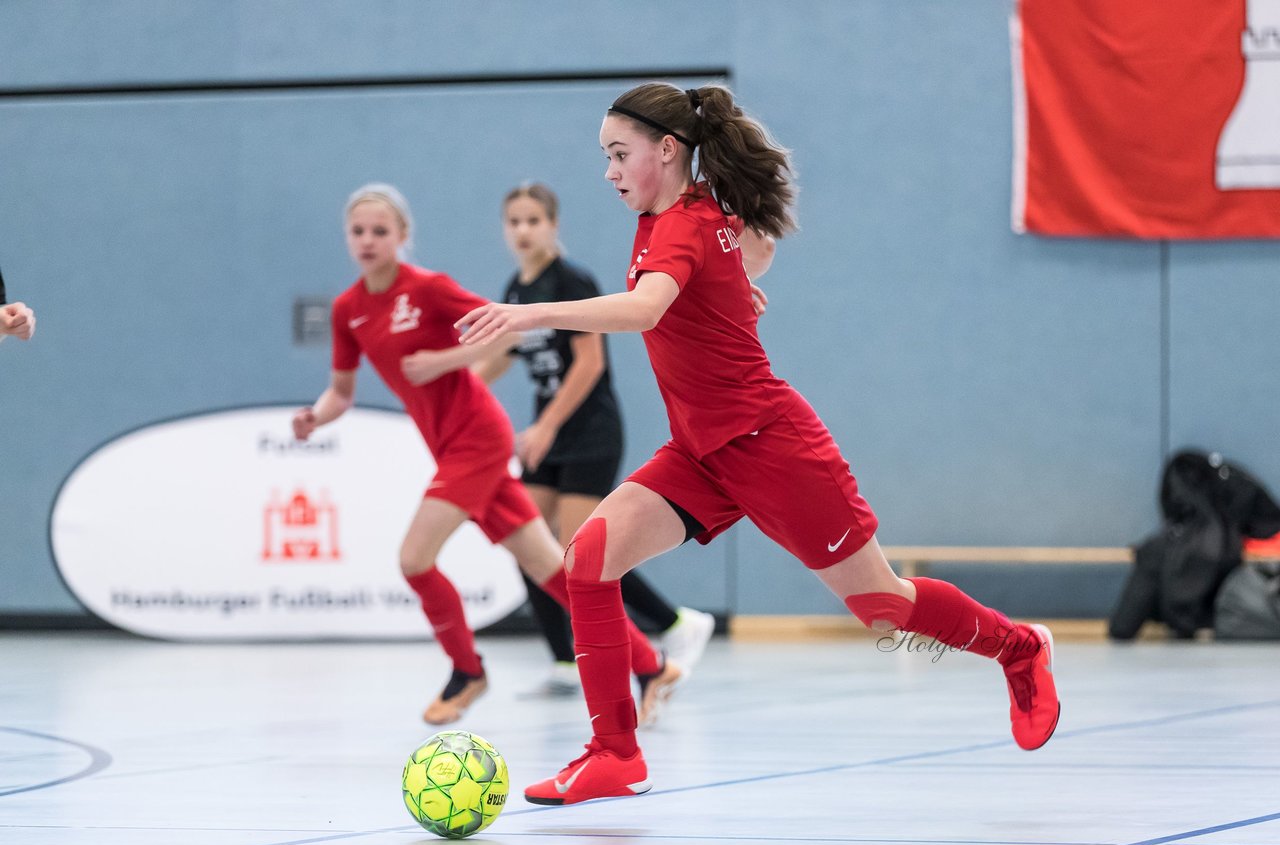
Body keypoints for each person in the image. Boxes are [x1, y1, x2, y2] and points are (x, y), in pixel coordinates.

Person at [457, 82, 1060, 806]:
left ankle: (1019, 648)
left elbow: (648, 306)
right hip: (701, 453)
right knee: (587, 560)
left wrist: (530, 314)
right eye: (606, 157)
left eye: (620, 155)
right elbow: (757, 254)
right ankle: (614, 753)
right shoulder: (674, 213)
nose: (610, 172)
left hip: (772, 445)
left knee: (882, 606)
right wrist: (727, 286)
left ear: (668, 150)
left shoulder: (679, 223)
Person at [293, 183, 680, 727]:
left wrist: (445, 361)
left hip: (477, 437)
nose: (368, 241)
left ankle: (467, 670)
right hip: (447, 443)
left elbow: (504, 333)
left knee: (414, 558)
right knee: (549, 566)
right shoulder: (348, 309)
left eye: (381, 231)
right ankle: (650, 663)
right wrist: (317, 415)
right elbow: (341, 391)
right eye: (358, 232)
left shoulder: (426, 288)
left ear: (403, 236)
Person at [473, 182, 715, 696]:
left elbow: (589, 365)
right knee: (529, 542)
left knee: (578, 550)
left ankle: (673, 624)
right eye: (513, 221)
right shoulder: (517, 288)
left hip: (587, 431)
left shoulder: (572, 278)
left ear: (553, 225)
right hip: (549, 435)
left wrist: (545, 425)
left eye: (533, 220)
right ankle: (563, 660)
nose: (522, 231)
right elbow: (504, 355)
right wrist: (460, 387)